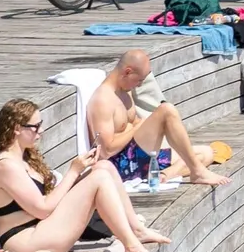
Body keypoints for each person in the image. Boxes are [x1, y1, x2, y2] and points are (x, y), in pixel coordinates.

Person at [0, 100, 168, 252]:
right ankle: (132, 248)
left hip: (41, 229)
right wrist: (74, 171)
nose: (41, 131)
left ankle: (136, 229)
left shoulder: (23, 157)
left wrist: (83, 169)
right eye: (36, 126)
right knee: (99, 178)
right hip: (25, 243)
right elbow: (42, 208)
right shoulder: (6, 166)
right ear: (17, 128)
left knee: (104, 167)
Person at [87, 52, 227, 187]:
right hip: (122, 166)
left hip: (141, 157)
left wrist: (147, 129)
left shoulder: (124, 90)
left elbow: (135, 125)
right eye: (139, 80)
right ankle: (197, 172)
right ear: (127, 72)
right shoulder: (103, 100)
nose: (140, 85)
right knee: (167, 110)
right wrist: (139, 127)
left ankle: (163, 175)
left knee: (206, 153)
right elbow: (106, 150)